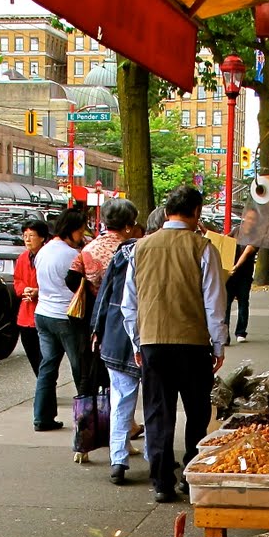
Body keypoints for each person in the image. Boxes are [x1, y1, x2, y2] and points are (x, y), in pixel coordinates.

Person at [122, 183, 227, 504]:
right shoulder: (203, 248)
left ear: (167, 212)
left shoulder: (139, 249)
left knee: (157, 412)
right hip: (194, 344)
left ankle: (161, 480)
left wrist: (138, 343)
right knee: (196, 412)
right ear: (196, 213)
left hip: (153, 343)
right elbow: (214, 303)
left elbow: (129, 305)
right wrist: (219, 345)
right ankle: (190, 475)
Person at [91, 210, 144, 485]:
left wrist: (96, 328)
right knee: (157, 400)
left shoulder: (118, 254)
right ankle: (155, 455)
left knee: (120, 398)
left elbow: (105, 293)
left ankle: (118, 459)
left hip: (115, 332)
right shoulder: (142, 253)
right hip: (148, 334)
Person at [32, 207, 87, 432]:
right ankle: (85, 420)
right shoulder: (71, 255)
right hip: (66, 317)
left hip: (43, 313)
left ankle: (42, 417)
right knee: (80, 369)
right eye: (81, 231)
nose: (82, 236)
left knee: (47, 367)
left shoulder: (43, 251)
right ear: (71, 230)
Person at [12, 217, 48, 376]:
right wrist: (24, 289)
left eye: (31, 235)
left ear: (42, 238)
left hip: (44, 311)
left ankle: (46, 385)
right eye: (25, 235)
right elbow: (17, 280)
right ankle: (42, 382)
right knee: (32, 353)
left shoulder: (48, 256)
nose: (27, 239)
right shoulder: (22, 258)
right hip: (26, 313)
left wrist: (38, 291)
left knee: (45, 355)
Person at [225, 237, 256, 342]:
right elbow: (223, 240)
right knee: (227, 304)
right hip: (232, 275)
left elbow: (247, 252)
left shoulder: (256, 236)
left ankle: (240, 332)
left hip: (243, 275)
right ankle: (227, 334)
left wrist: (236, 266)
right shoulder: (237, 230)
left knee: (242, 303)